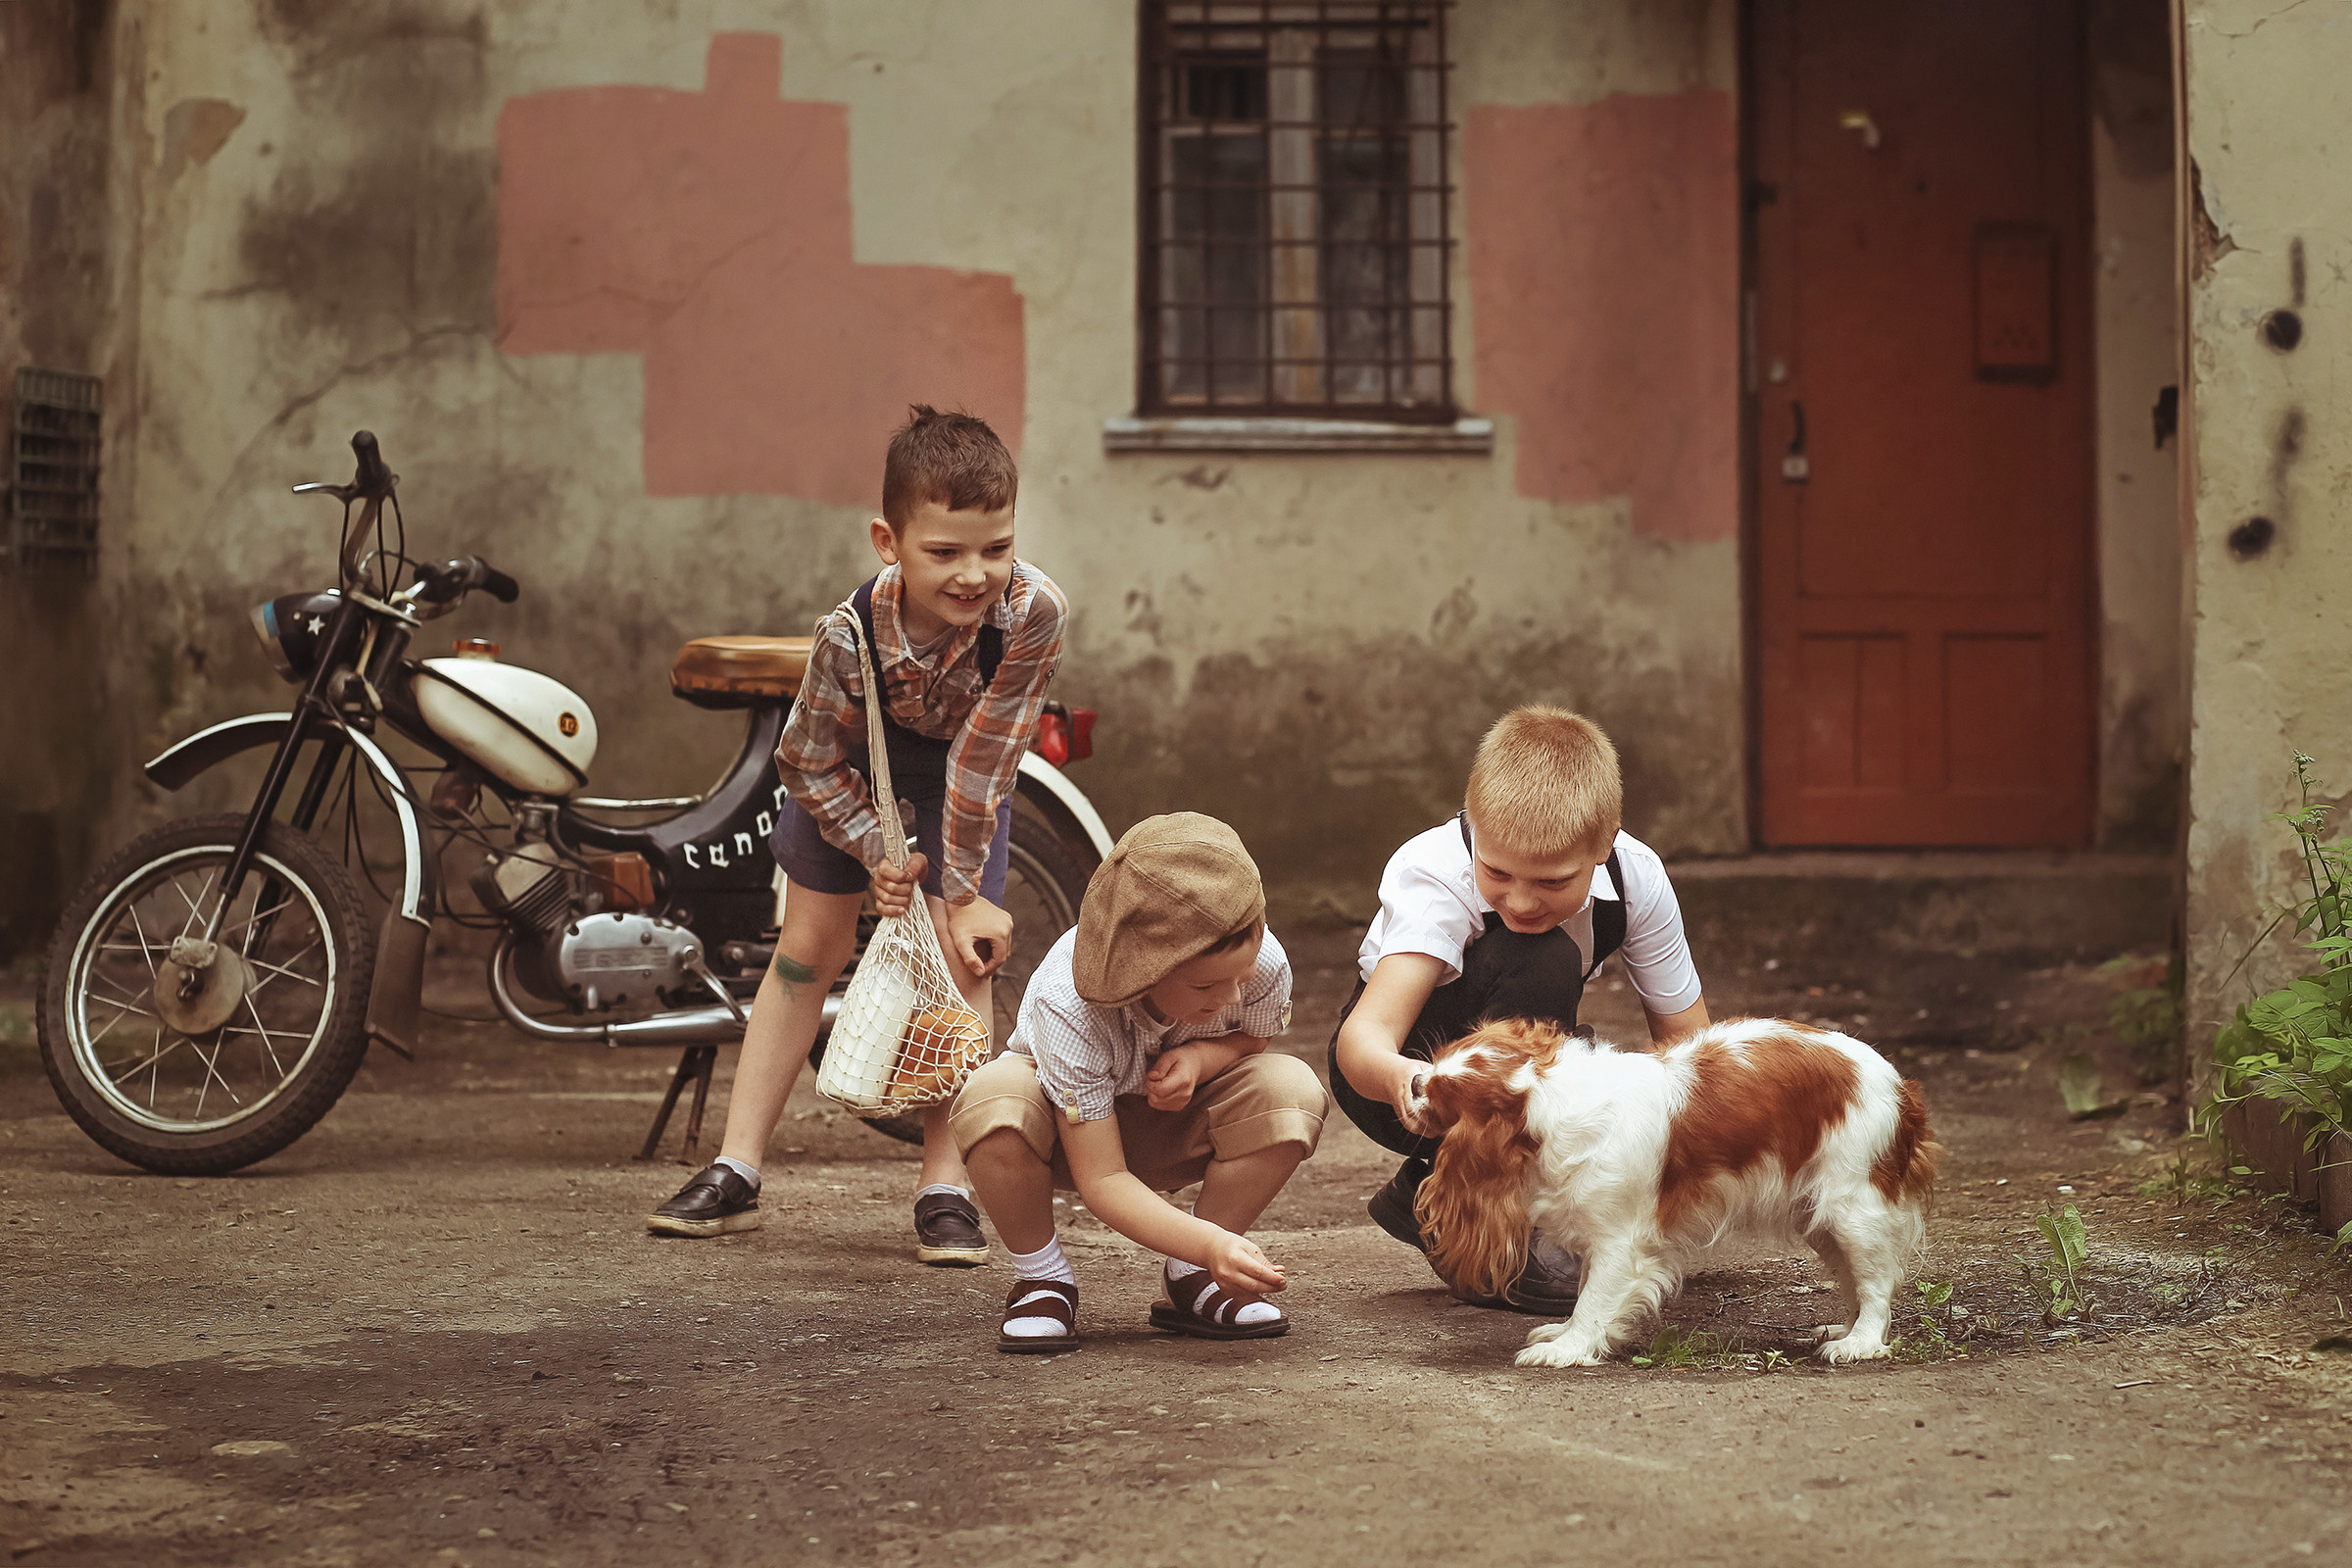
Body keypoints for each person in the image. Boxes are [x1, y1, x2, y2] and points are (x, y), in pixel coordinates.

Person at [645, 406, 1065, 1265]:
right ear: (889, 542)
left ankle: (946, 1185)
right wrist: (879, 851)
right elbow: (804, 760)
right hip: (842, 774)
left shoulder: (1033, 614)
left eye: (995, 548)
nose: (973, 574)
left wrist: (958, 896)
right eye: (943, 552)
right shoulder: (847, 634)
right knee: (807, 952)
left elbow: (984, 761)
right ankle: (737, 1168)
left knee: (965, 957)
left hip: (961, 780)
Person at [1330, 707, 1709, 1312]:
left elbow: (1688, 1042)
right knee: (1540, 956)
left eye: (1553, 882)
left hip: (1515, 1070)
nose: (1522, 900)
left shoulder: (1637, 877)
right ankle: (1500, 1225)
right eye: (1497, 872)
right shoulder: (1435, 872)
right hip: (1396, 1076)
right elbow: (1365, 1037)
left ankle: (1425, 1189)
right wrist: (1407, 1080)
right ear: (1472, 823)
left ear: (1606, 843)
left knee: (1592, 1070)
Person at [950, 813, 1328, 1352]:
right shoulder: (1069, 1002)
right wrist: (1212, 1244)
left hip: (1176, 1121)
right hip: (1072, 1138)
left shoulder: (1256, 958)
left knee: (1292, 1090)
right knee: (993, 1098)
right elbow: (1103, 1178)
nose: (1232, 997)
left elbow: (1254, 1035)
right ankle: (1043, 1278)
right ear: (1142, 972)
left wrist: (1202, 1057)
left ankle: (1191, 1278)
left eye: (1242, 978)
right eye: (1206, 986)